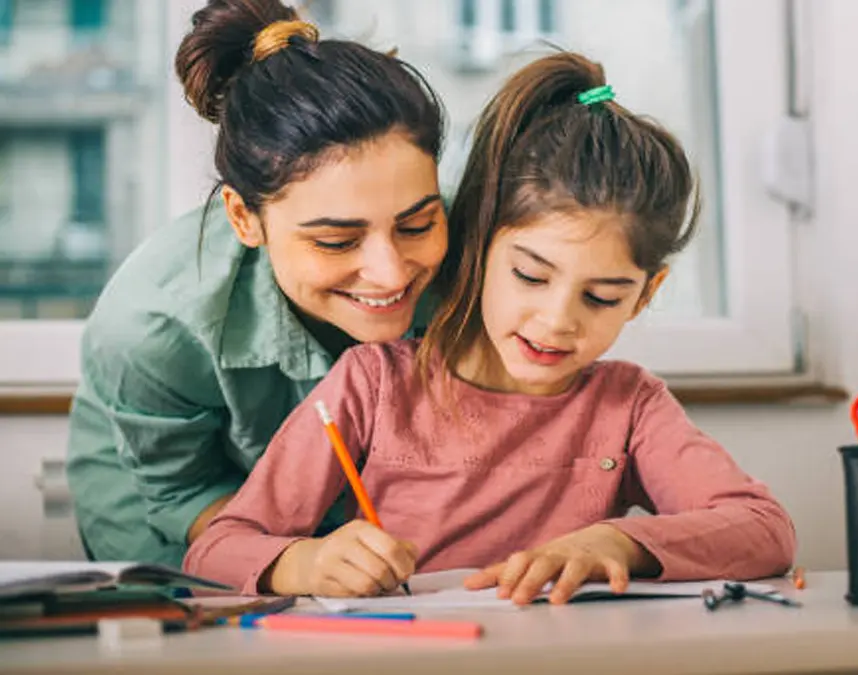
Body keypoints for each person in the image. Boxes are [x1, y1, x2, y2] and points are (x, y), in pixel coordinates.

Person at [184, 52, 796, 604]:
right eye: (531, 276)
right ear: (478, 248)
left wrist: (615, 544)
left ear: (644, 296)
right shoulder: (374, 385)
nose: (558, 321)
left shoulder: (629, 406)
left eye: (603, 297)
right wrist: (307, 561)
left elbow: (765, 529)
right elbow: (214, 550)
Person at [65, 0, 452, 567]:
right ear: (245, 218)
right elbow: (180, 492)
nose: (391, 272)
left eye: (418, 224)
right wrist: (292, 561)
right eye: (336, 241)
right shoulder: (151, 325)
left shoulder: (485, 253)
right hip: (176, 510)